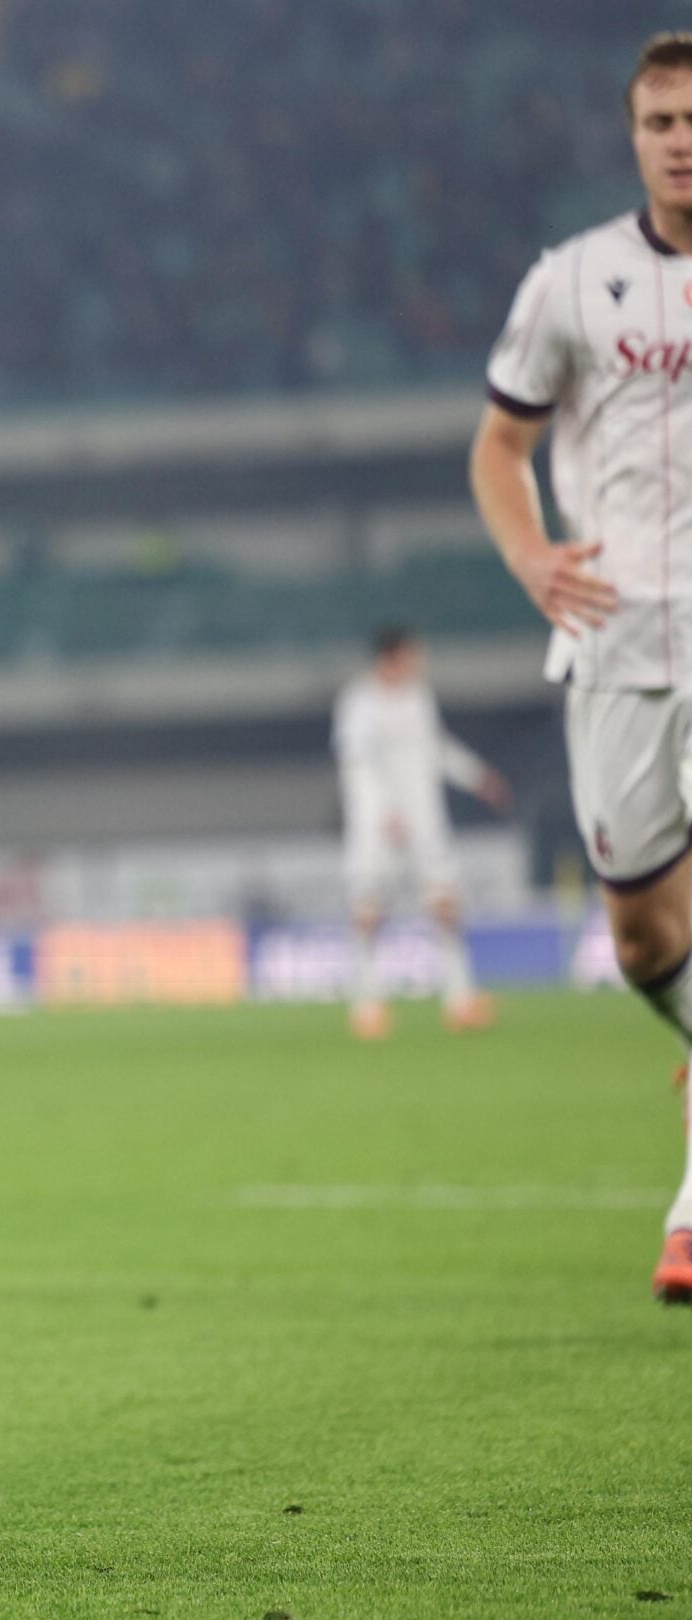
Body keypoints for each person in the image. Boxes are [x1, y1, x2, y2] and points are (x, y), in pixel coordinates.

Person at [472, 30, 692, 1303]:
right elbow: (497, 447)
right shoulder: (571, 281)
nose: (681, 140)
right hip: (614, 638)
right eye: (661, 121)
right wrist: (529, 555)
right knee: (640, 931)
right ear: (633, 136)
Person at [332, 626, 512, 1039]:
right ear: (391, 657)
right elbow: (357, 765)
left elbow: (437, 749)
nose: (419, 663)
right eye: (413, 655)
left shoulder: (418, 697)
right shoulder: (358, 703)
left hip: (425, 820)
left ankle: (460, 1000)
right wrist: (385, 812)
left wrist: (478, 777)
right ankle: (367, 1005)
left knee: (446, 905)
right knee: (368, 912)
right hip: (376, 828)